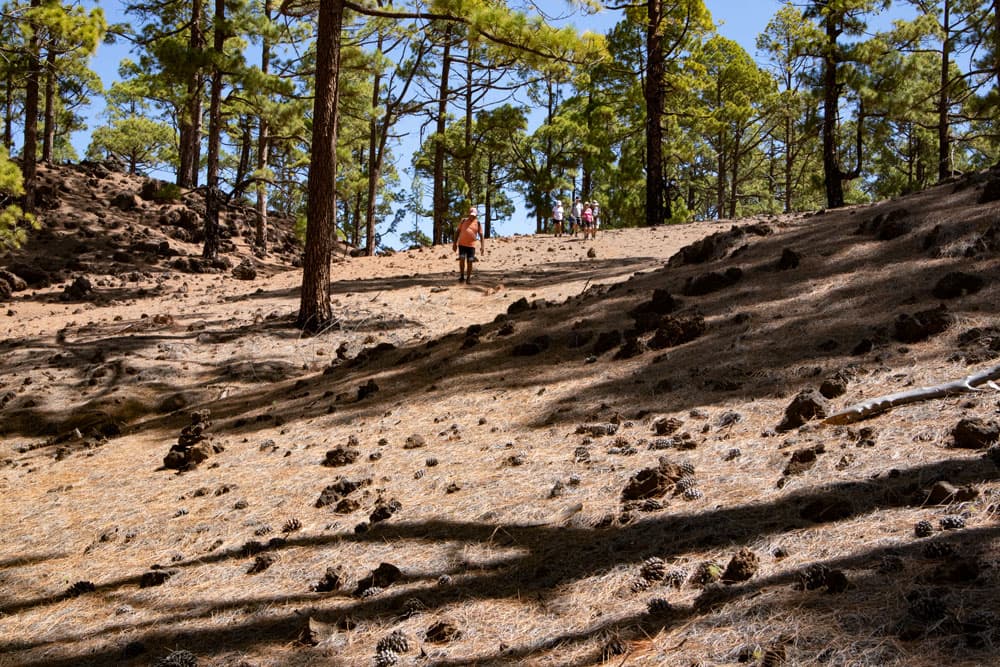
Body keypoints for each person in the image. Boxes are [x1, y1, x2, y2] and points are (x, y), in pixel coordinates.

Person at [453, 205, 484, 282]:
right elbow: (457, 232)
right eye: (471, 215)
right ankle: (462, 276)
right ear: (469, 214)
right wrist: (454, 243)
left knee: (470, 261)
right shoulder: (463, 221)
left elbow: (481, 235)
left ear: (476, 215)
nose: (472, 217)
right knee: (462, 258)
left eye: (474, 215)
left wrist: (482, 246)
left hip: (471, 246)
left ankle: (468, 278)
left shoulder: (478, 223)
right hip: (462, 244)